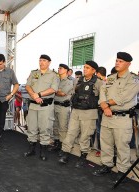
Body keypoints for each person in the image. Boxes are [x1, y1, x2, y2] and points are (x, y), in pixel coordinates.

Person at [93, 52, 139, 182]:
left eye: (121, 61)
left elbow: (124, 97)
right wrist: (105, 106)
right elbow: (102, 92)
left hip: (122, 118)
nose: (117, 63)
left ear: (128, 64)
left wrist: (105, 104)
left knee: (121, 146)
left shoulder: (133, 79)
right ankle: (107, 165)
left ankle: (122, 171)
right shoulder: (111, 78)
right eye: (117, 60)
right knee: (106, 143)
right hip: (107, 116)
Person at [59, 60, 103, 167]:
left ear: (93, 70)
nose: (84, 69)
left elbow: (102, 98)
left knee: (85, 136)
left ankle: (83, 156)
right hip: (76, 111)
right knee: (71, 133)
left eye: (87, 68)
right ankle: (66, 153)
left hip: (89, 113)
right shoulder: (79, 80)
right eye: (84, 67)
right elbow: (74, 93)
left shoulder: (98, 82)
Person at [24, 54, 59, 161]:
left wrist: (39, 95)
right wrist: (34, 95)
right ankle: (32, 149)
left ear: (49, 62)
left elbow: (54, 89)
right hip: (33, 105)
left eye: (44, 60)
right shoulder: (34, 73)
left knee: (45, 128)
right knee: (32, 128)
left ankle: (43, 151)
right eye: (40, 60)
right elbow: (28, 85)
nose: (41, 62)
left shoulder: (54, 75)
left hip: (45, 106)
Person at [0, 54, 19, 152]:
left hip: (3, 100)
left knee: (0, 122)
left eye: (0, 64)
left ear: (4, 62)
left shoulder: (10, 72)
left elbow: (16, 84)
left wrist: (11, 95)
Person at [51, 64, 73, 153]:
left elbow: (62, 93)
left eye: (61, 68)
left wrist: (53, 90)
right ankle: (57, 143)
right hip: (54, 105)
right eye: (58, 68)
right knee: (55, 126)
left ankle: (63, 147)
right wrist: (56, 91)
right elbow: (55, 91)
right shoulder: (56, 80)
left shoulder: (69, 81)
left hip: (63, 106)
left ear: (66, 70)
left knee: (63, 127)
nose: (59, 69)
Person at [94, 66, 107, 157]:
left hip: (100, 109)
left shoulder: (100, 83)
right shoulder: (109, 82)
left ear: (98, 73)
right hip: (106, 109)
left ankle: (100, 149)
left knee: (99, 130)